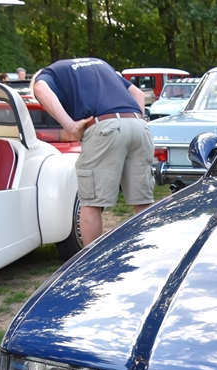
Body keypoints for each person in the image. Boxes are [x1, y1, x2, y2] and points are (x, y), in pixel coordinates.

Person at [32, 57, 154, 246]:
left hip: (105, 127)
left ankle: (91, 261)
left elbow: (40, 89)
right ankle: (149, 253)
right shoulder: (99, 64)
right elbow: (137, 93)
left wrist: (70, 126)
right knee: (143, 202)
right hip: (139, 125)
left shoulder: (49, 74)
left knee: (91, 203)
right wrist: (136, 120)